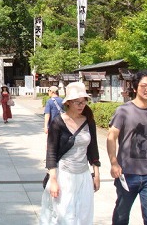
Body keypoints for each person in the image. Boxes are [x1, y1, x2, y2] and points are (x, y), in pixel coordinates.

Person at [107, 70, 147, 225]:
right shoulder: (123, 111)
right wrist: (114, 162)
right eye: (144, 85)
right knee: (121, 216)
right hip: (127, 173)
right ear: (135, 87)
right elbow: (111, 136)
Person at [40, 81, 101, 225]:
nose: (81, 105)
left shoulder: (88, 121)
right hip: (64, 175)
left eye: (83, 101)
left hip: (84, 175)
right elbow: (51, 153)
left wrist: (96, 175)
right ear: (68, 103)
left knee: (84, 215)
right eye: (77, 102)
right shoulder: (58, 122)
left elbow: (93, 149)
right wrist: (53, 180)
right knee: (64, 216)